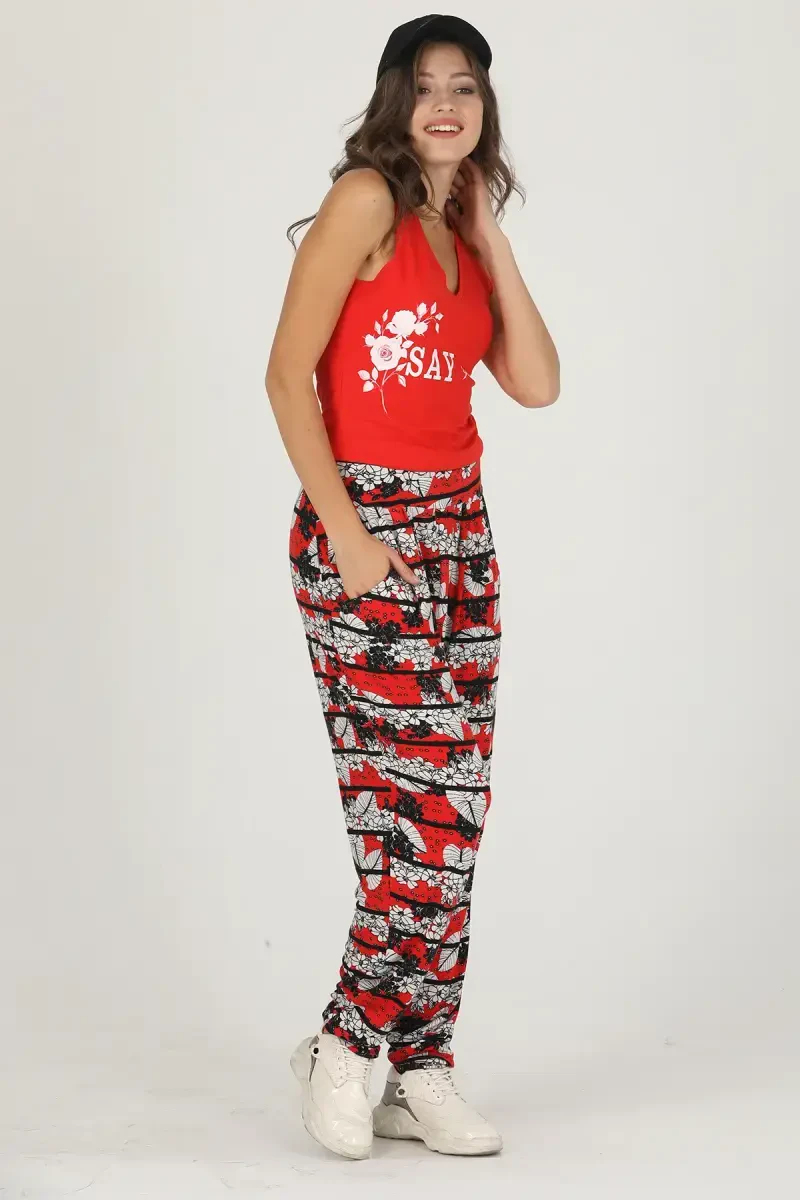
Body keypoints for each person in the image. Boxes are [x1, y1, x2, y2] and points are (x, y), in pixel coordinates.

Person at [265, 13, 559, 1161]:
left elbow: (534, 382)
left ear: (484, 109)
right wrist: (345, 535)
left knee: (448, 814)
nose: (446, 104)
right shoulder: (361, 203)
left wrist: (489, 237)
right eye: (426, 85)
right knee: (419, 816)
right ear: (394, 99)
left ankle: (418, 1063)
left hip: (460, 540)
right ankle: (345, 1043)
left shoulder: (457, 232)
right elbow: (285, 376)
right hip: (367, 533)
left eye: (465, 87)